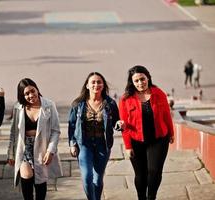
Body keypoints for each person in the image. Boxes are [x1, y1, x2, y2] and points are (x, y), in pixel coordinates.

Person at [118, 65, 174, 200]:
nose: (140, 83)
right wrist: (128, 146)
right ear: (132, 82)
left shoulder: (158, 93)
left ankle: (151, 197)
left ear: (148, 77)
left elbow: (166, 115)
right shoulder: (126, 98)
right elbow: (124, 124)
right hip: (136, 141)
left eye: (142, 79)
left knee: (155, 171)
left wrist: (171, 133)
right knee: (141, 175)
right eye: (136, 81)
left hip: (159, 138)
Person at [7, 78, 62, 200]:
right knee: (26, 178)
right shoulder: (18, 108)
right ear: (22, 95)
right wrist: (10, 153)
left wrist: (50, 151)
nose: (31, 95)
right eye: (26, 93)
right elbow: (13, 132)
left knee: (40, 182)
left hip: (42, 148)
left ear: (37, 89)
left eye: (32, 91)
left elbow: (56, 131)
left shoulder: (49, 105)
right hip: (24, 148)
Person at [68, 72, 120, 200]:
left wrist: (119, 124)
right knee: (87, 177)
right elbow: (72, 125)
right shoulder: (78, 104)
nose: (96, 85)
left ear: (103, 85)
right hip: (84, 144)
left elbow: (116, 122)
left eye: (99, 82)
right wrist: (72, 144)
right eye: (93, 82)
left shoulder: (110, 103)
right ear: (87, 85)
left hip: (103, 144)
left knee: (97, 179)